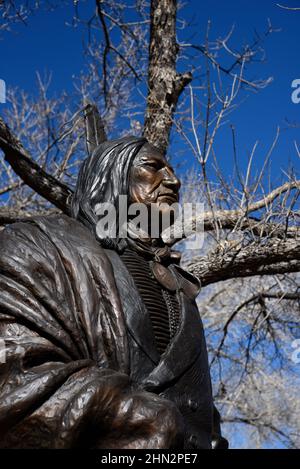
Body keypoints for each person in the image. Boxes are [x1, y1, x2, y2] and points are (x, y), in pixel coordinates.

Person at [0, 136, 228, 449]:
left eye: (173, 171)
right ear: (111, 174)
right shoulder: (39, 246)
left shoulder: (182, 288)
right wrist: (138, 419)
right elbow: (14, 379)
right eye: (153, 167)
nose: (173, 181)